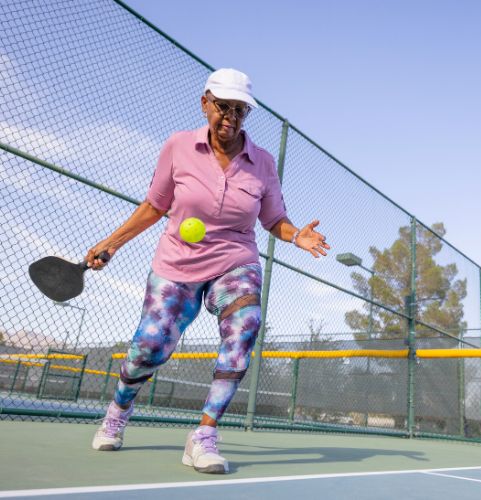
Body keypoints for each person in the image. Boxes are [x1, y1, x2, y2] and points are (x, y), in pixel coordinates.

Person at [88, 68, 330, 474]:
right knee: (150, 346)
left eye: (240, 110)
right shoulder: (178, 147)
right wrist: (110, 244)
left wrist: (295, 237)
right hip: (176, 262)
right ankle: (117, 411)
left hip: (236, 260)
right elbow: (154, 206)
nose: (231, 118)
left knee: (245, 326)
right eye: (223, 107)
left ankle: (203, 435)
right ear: (205, 103)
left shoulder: (263, 163)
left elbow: (274, 219)